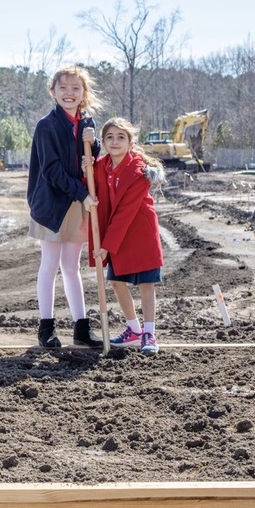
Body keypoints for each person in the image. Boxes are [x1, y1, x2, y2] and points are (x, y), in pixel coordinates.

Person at [26, 66, 103, 349]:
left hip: (77, 203)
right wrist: (82, 193)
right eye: (63, 88)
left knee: (72, 266)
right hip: (51, 204)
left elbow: (88, 162)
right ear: (53, 92)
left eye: (75, 88)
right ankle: (46, 328)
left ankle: (81, 327)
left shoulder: (86, 124)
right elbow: (52, 170)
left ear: (84, 93)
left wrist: (93, 146)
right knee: (50, 265)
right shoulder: (47, 126)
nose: (69, 93)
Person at [86, 117, 166, 355]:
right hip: (117, 234)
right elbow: (93, 186)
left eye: (121, 137)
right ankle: (133, 329)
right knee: (117, 281)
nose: (115, 141)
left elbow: (124, 213)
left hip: (139, 234)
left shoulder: (140, 171)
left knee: (145, 285)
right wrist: (86, 166)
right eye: (109, 137)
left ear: (131, 142)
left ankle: (149, 333)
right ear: (103, 141)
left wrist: (107, 246)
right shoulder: (102, 165)